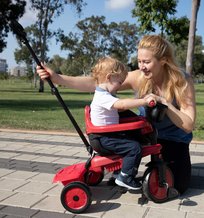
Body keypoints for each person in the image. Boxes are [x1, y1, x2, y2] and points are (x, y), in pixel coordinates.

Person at [36, 35, 196, 194]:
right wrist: (57, 78)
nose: (142, 66)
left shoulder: (182, 81)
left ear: (163, 60)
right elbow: (98, 83)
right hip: (145, 131)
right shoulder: (139, 77)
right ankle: (122, 164)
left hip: (173, 138)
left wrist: (165, 103)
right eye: (139, 61)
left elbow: (188, 125)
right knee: (118, 110)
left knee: (178, 186)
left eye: (147, 62)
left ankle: (129, 163)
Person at [89, 57, 156, 190]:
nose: (120, 85)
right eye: (119, 82)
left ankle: (117, 173)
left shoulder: (103, 95)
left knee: (128, 140)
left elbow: (120, 108)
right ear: (109, 77)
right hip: (104, 139)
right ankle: (125, 177)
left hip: (103, 136)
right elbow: (123, 104)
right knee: (134, 148)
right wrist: (144, 101)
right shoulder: (104, 97)